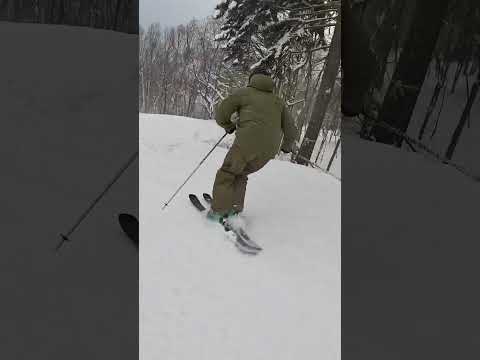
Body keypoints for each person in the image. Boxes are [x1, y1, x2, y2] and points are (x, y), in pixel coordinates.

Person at [207, 68, 297, 222]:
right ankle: (234, 207)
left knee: (227, 174)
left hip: (245, 146)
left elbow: (221, 113)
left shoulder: (244, 93)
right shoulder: (278, 101)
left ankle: (219, 211)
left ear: (252, 79)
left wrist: (228, 126)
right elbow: (291, 130)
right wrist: (286, 147)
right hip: (268, 152)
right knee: (241, 174)